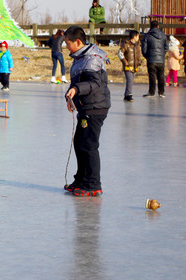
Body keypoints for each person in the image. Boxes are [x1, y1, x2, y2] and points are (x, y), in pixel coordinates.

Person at [63, 25, 111, 197]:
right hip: (86, 106)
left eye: (68, 43)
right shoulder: (80, 58)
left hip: (96, 107)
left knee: (88, 145)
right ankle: (82, 179)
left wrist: (76, 89)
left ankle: (93, 184)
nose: (66, 46)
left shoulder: (92, 58)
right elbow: (77, 83)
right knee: (79, 143)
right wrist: (70, 97)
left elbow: (95, 83)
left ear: (78, 41)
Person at [141, 21, 168, 98]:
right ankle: (161, 92)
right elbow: (166, 47)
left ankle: (152, 92)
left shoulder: (147, 35)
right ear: (158, 26)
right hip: (161, 59)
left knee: (152, 76)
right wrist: (162, 54)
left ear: (150, 26)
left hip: (151, 59)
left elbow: (144, 48)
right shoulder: (163, 35)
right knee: (161, 76)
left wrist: (147, 56)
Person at [118, 30, 141, 102]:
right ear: (134, 36)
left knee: (131, 81)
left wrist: (139, 61)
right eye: (138, 36)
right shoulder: (126, 44)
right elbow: (120, 53)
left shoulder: (137, 45)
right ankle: (128, 95)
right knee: (130, 80)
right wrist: (125, 61)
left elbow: (138, 55)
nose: (138, 38)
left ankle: (126, 95)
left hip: (134, 66)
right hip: (128, 66)